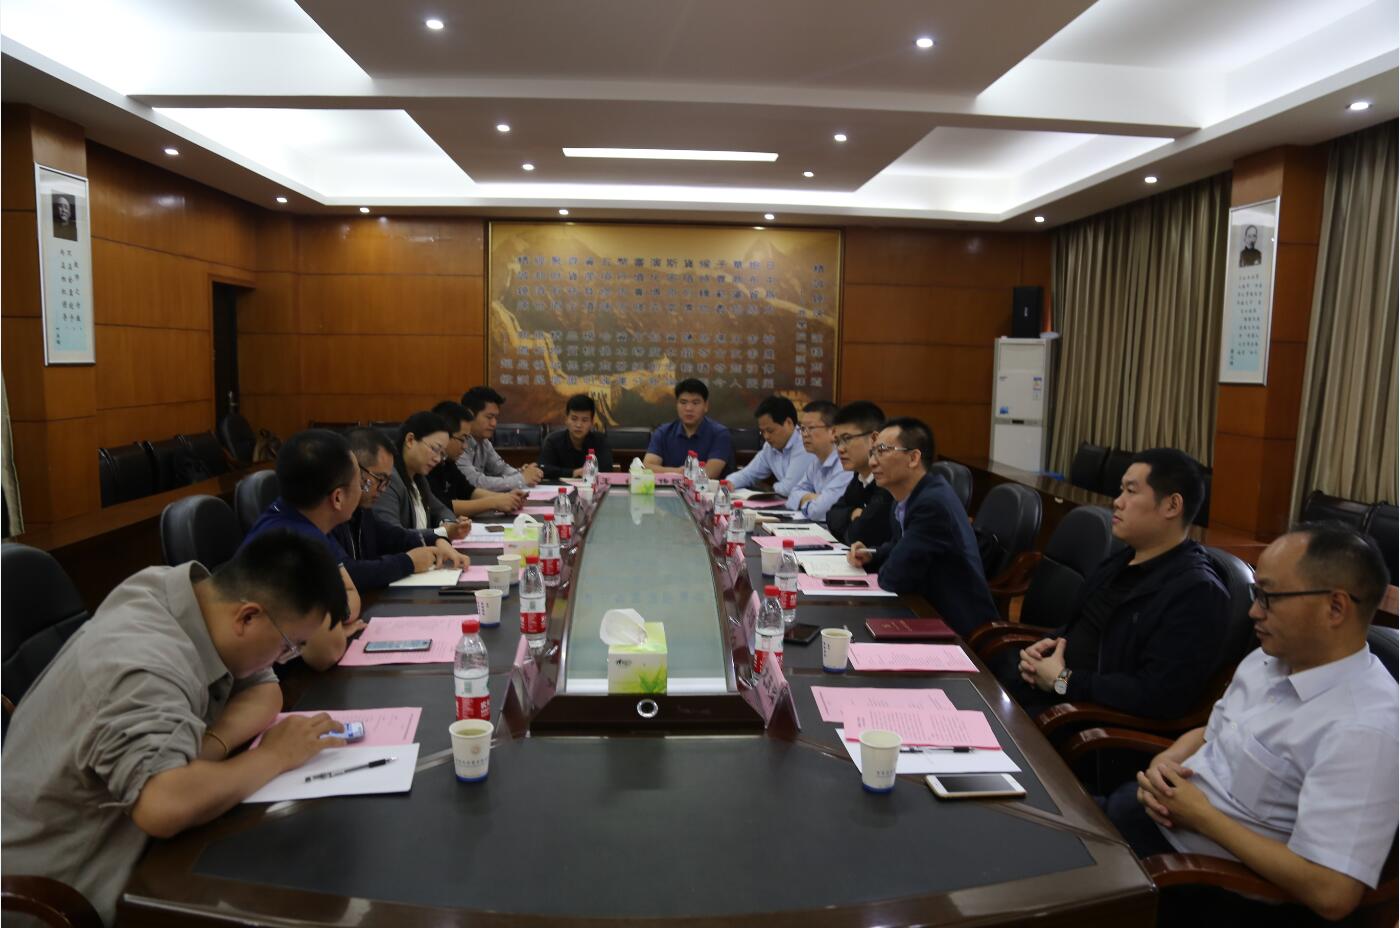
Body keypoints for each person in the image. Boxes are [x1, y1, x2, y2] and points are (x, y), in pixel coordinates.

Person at [1, 530, 351, 925]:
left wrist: (205, 750)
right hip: (58, 895)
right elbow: (164, 804)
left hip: (133, 845)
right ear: (248, 617)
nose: (284, 657)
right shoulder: (141, 662)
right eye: (289, 645)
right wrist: (276, 755)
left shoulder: (191, 598)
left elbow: (266, 691)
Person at [1103, 523, 1397, 925]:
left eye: (1269, 597)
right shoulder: (1269, 657)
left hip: (1197, 885)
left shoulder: (1364, 728)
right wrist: (1167, 761)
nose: (1253, 611)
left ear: (1335, 608)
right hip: (1148, 820)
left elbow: (1332, 892)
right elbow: (1210, 732)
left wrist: (1201, 816)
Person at [1004, 449, 1229, 718]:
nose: (1118, 502)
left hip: (1080, 719)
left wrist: (1062, 680)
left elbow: (1158, 695)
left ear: (1172, 506)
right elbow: (1084, 629)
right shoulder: (1123, 558)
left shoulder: (1197, 591)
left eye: (1131, 492)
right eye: (1121, 490)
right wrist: (1042, 649)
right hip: (1050, 691)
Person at [848, 417, 996, 636]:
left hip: (956, 628)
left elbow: (895, 577)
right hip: (923, 610)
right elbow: (899, 546)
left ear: (913, 458)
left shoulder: (932, 505)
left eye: (882, 451)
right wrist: (872, 554)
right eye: (872, 453)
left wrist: (889, 562)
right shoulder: (907, 496)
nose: (872, 462)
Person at [241, 429, 366, 668]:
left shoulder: (302, 520)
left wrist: (332, 620)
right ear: (337, 498)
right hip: (268, 676)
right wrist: (336, 629)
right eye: (360, 482)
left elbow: (351, 593)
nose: (362, 490)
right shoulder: (296, 547)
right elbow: (326, 653)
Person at [336, 427, 470, 591]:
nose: (383, 489)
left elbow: (392, 535)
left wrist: (436, 540)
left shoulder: (361, 511)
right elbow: (349, 573)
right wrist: (409, 562)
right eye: (380, 479)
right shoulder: (325, 520)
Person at [374, 411, 473, 540]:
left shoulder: (418, 478)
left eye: (442, 454)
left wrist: (448, 523)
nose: (438, 459)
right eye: (435, 449)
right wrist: (442, 532)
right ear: (410, 440)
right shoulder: (389, 479)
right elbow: (394, 536)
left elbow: (441, 510)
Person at [428, 401, 527, 516]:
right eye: (462, 439)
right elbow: (442, 506)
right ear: (444, 436)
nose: (465, 446)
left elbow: (468, 491)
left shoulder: (447, 462)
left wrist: (506, 498)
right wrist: (493, 502)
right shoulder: (428, 466)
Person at [825, 400, 894, 548]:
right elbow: (831, 515)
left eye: (847, 439)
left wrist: (851, 522)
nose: (840, 449)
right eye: (837, 441)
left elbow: (858, 536)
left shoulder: (889, 480)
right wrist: (852, 514)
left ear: (874, 439)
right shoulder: (860, 477)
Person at [456, 386, 543, 492]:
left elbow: (501, 469)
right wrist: (522, 479)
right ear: (469, 414)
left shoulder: (484, 442)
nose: (494, 423)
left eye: (495, 418)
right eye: (489, 417)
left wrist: (524, 472)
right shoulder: (457, 442)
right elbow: (475, 482)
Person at [725, 394, 815, 495]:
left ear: (788, 423)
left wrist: (771, 488)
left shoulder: (805, 444)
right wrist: (729, 482)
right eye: (762, 432)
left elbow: (789, 489)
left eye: (770, 430)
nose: (766, 437)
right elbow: (748, 474)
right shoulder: (770, 447)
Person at [644, 378, 733, 478]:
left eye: (695, 403)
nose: (688, 408)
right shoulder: (663, 432)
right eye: (683, 402)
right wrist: (678, 472)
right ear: (676, 405)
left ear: (706, 406)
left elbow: (709, 473)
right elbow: (647, 467)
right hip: (669, 487)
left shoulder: (720, 434)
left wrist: (674, 473)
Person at [785, 400, 852, 521]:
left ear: (833, 431)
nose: (804, 434)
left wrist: (807, 500)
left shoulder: (845, 464)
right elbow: (792, 496)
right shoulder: (816, 462)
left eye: (811, 428)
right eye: (802, 428)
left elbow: (820, 511)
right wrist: (814, 498)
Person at [538, 393, 614, 480]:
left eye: (584, 420)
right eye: (574, 419)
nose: (578, 425)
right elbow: (542, 469)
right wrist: (573, 473)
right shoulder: (553, 441)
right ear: (566, 419)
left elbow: (606, 471)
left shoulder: (600, 441)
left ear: (591, 423)